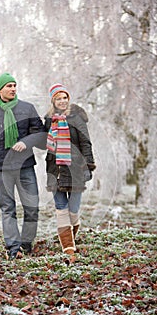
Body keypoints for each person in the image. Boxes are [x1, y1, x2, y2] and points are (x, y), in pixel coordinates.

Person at [0, 73, 46, 260]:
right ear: (0, 89)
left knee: (32, 206)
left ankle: (26, 244)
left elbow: (41, 135)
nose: (13, 88)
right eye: (9, 86)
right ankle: (13, 248)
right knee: (8, 207)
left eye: (14, 85)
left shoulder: (27, 108)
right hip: (0, 168)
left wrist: (26, 141)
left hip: (25, 166)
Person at [44, 83, 96, 261]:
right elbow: (42, 140)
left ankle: (69, 236)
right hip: (55, 169)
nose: (62, 101)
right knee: (61, 208)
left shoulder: (77, 119)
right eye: (58, 98)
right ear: (53, 101)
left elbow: (86, 144)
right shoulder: (48, 121)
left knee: (73, 210)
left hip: (75, 169)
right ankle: (68, 248)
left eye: (65, 97)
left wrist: (89, 166)